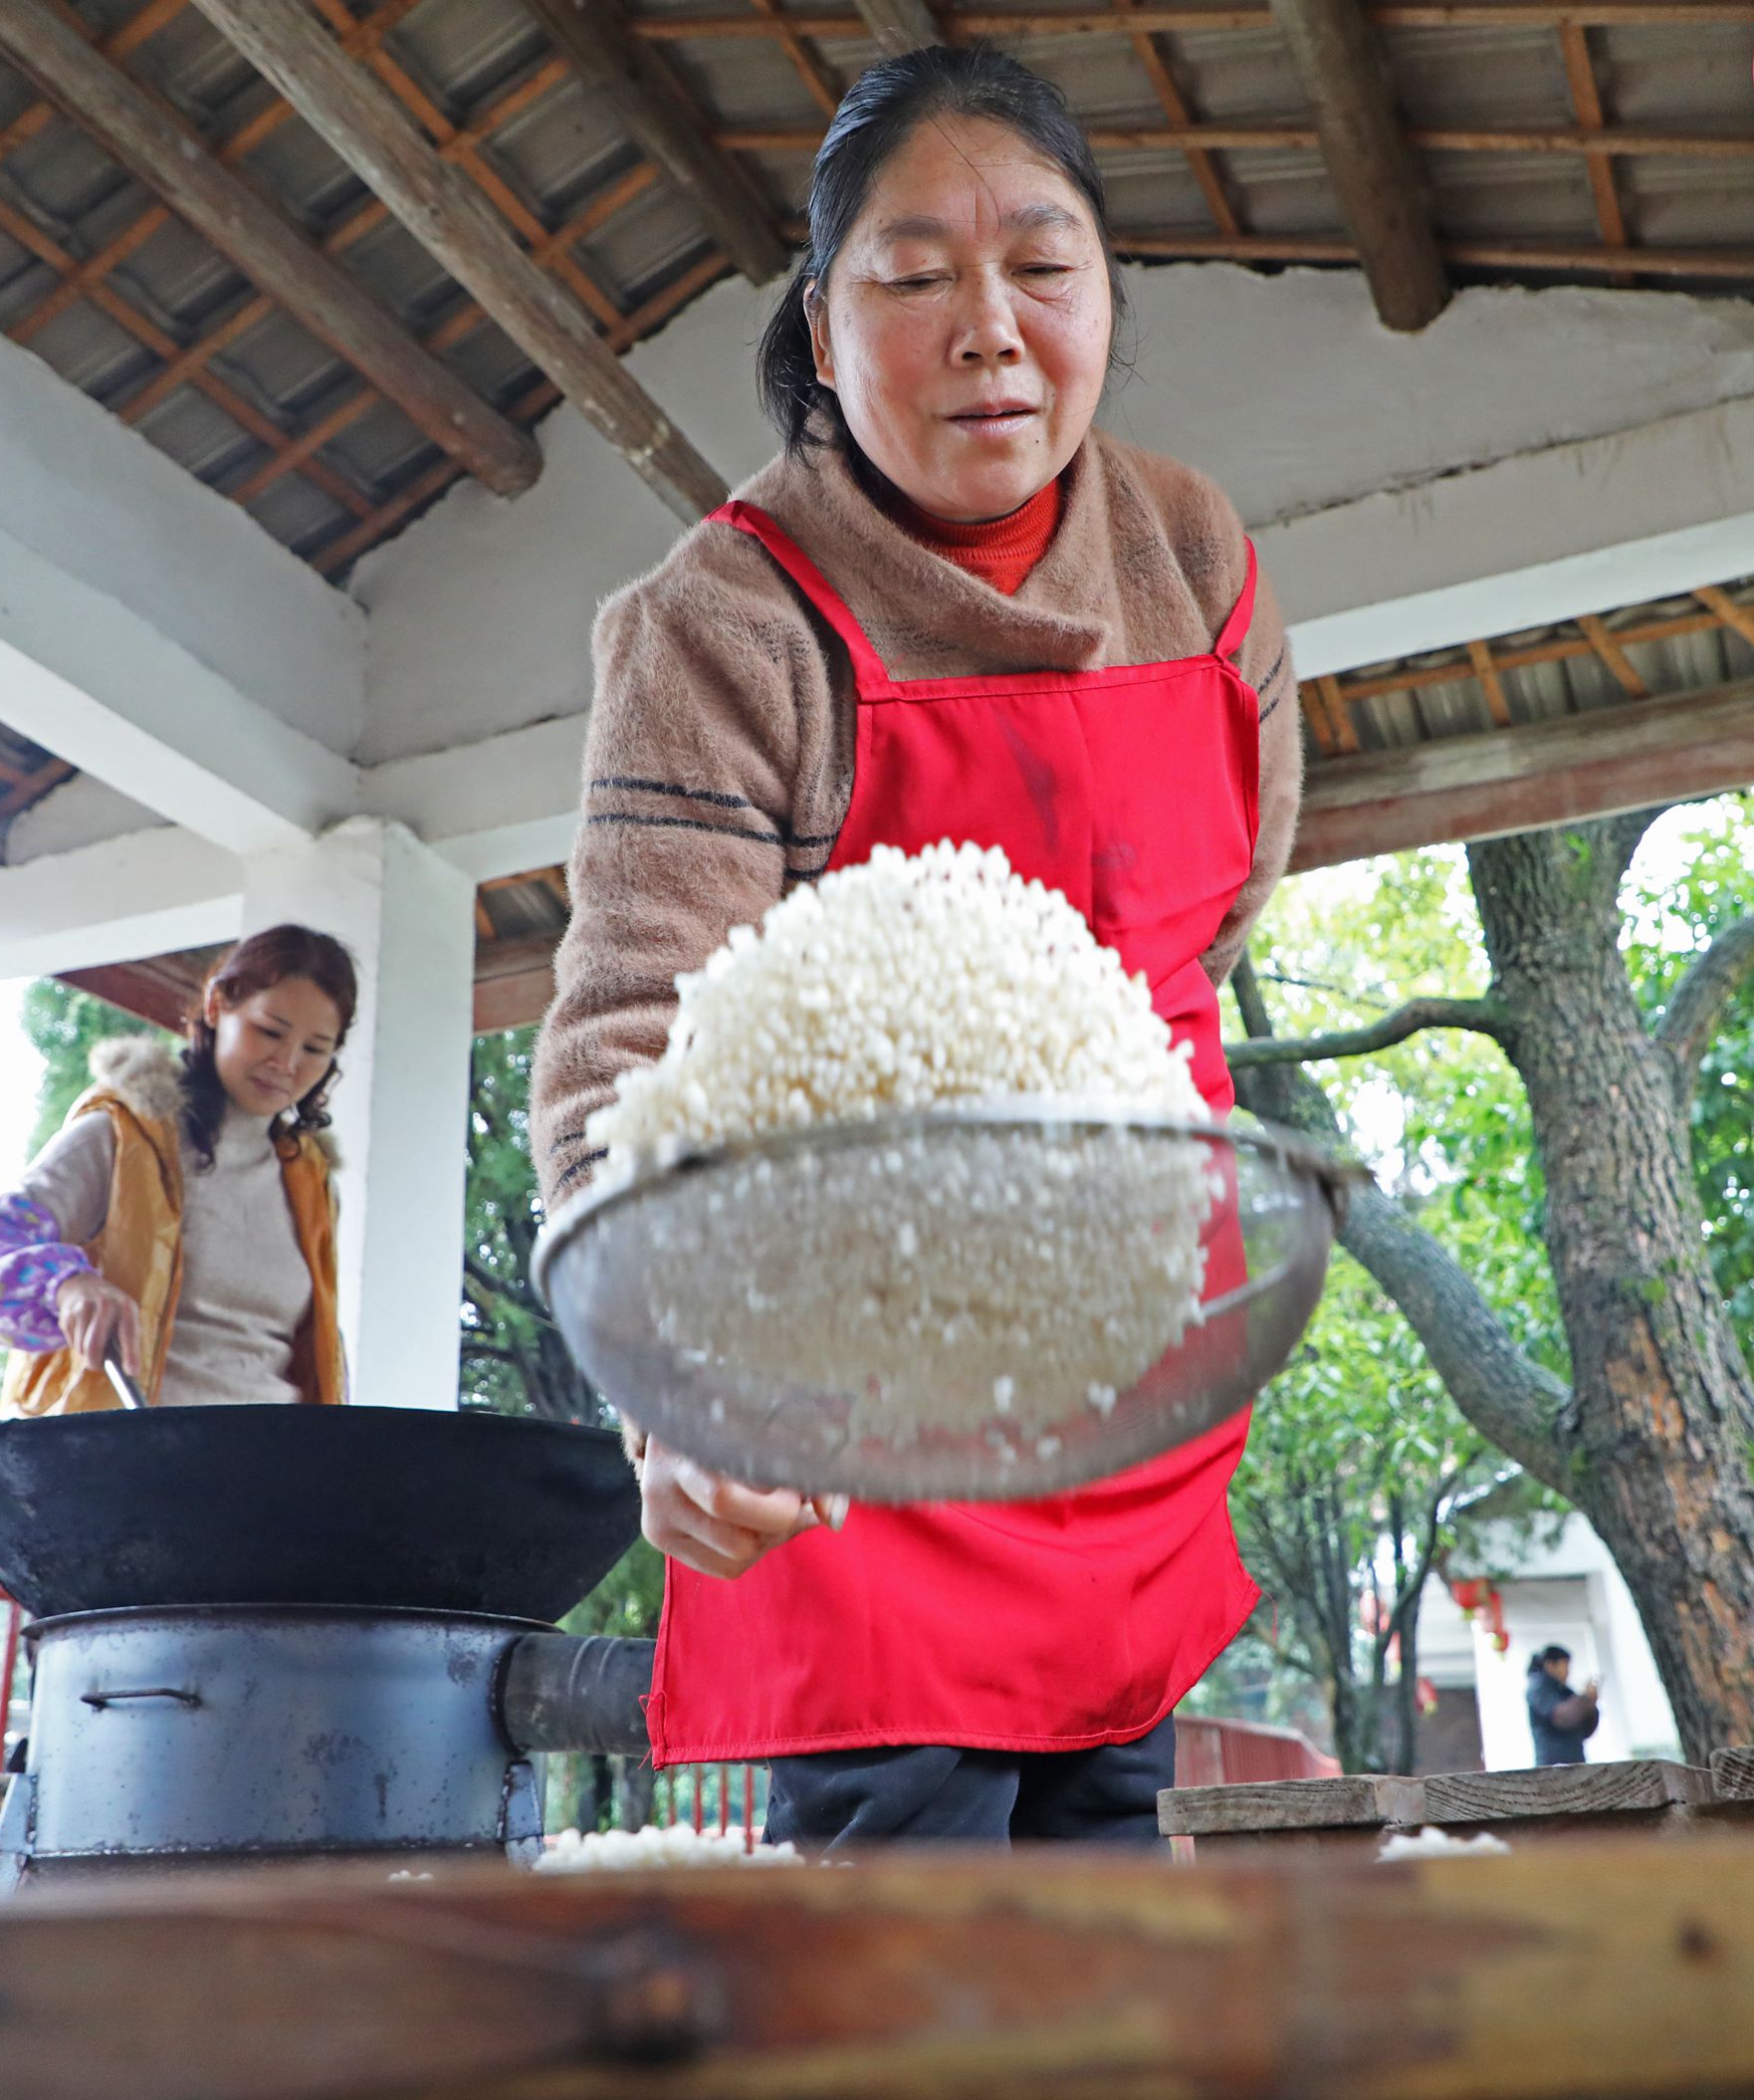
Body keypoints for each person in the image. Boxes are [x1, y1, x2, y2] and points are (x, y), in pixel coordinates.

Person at [530, 46, 1301, 1850]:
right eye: (913, 273)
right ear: (822, 311)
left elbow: (1228, 894)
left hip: (1136, 1390)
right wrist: (672, 1372)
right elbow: (633, 1027)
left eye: (1041, 265)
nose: (989, 326)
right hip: (853, 1422)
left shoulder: (1195, 554)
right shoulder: (723, 617)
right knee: (910, 1978)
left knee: (1113, 1948)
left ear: (1105, 292)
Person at [0, 926, 358, 1414]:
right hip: (129, 1466)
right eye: (269, 1031)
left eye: (315, 1048)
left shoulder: (310, 1181)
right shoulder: (122, 1135)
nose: (286, 1063)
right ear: (218, 1006)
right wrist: (65, 1285)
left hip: (275, 1473)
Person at [1527, 1646, 1603, 1765]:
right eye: (1565, 1665)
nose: (1568, 1670)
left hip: (1574, 1763)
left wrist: (1590, 1703)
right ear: (1550, 1665)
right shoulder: (1539, 1688)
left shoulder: (1565, 1691)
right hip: (1552, 1766)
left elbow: (1586, 1729)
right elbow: (1562, 1717)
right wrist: (1585, 1699)